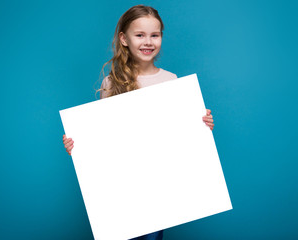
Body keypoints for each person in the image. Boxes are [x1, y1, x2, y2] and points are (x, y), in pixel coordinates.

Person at [63, 5, 214, 240]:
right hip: (121, 189)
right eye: (140, 35)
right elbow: (103, 139)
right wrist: (79, 147)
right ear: (124, 39)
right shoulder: (111, 83)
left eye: (155, 35)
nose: (148, 42)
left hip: (156, 189)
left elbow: (178, 139)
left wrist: (202, 125)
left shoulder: (171, 81)